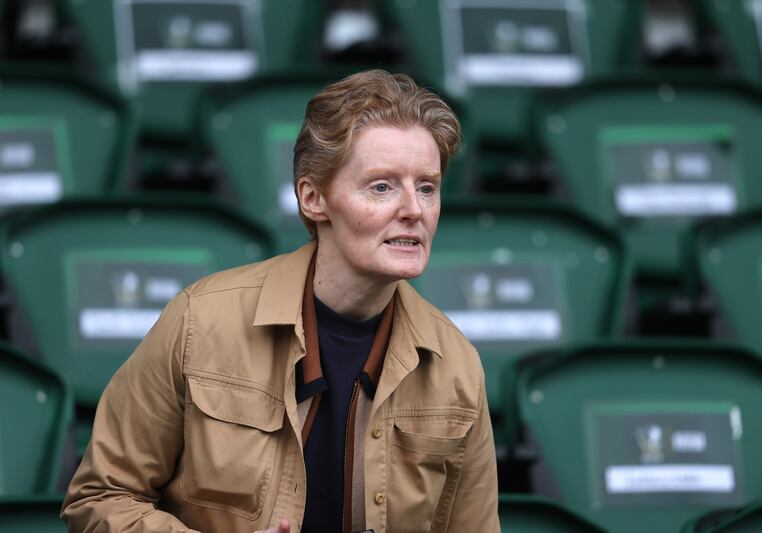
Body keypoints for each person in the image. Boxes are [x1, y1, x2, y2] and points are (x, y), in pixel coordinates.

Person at [61, 69, 499, 532]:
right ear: (313, 199)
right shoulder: (199, 321)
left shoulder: (457, 365)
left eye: (427, 187)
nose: (414, 209)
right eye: (382, 186)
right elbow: (99, 497)